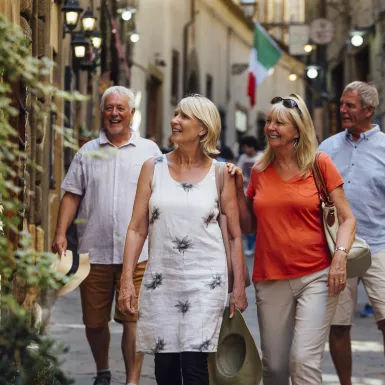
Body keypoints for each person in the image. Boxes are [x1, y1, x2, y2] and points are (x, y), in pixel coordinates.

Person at [118, 94, 248, 385]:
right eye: (175, 114)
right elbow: (137, 228)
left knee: (194, 363)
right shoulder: (153, 168)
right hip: (162, 280)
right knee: (165, 367)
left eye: (184, 116)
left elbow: (236, 236)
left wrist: (238, 287)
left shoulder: (221, 174)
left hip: (206, 280)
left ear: (203, 128)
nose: (174, 121)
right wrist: (127, 280)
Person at [227, 94, 356, 385]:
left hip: (318, 275)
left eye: (279, 123)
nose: (270, 127)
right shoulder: (259, 170)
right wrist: (238, 190)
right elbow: (249, 226)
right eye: (268, 121)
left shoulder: (319, 164)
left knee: (303, 361)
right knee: (274, 367)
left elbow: (347, 218)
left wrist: (340, 258)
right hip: (270, 278)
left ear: (297, 130)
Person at [52, 86, 161, 385]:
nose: (114, 113)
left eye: (120, 108)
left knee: (132, 318)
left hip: (138, 253)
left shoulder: (150, 151)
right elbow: (71, 195)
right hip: (96, 250)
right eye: (109, 108)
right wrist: (61, 232)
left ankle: (133, 380)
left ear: (131, 114)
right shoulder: (88, 151)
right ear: (103, 112)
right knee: (93, 321)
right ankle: (102, 370)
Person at [319, 81, 385, 385]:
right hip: (337, 250)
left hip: (380, 245)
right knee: (338, 325)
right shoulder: (328, 147)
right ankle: (345, 384)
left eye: (350, 106)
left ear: (368, 111)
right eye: (342, 104)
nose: (342, 110)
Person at [236, 135, 264, 256]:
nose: (244, 149)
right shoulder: (243, 157)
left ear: (252, 147)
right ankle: (250, 245)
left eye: (246, 147)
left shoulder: (262, 157)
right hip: (246, 191)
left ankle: (257, 244)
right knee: (248, 219)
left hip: (259, 192)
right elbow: (238, 171)